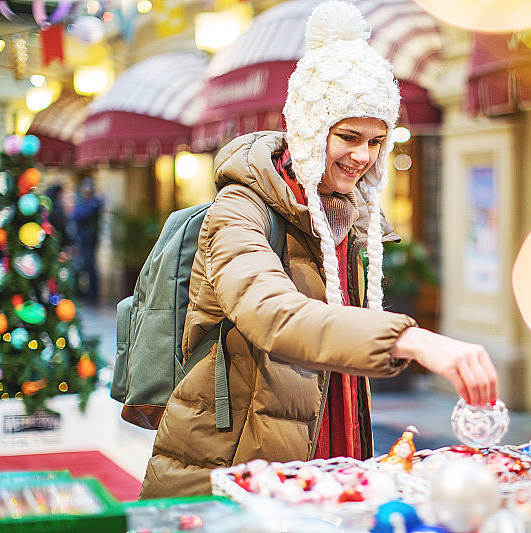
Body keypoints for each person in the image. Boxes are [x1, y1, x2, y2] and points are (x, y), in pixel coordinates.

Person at [140, 1, 499, 499]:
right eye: (348, 136)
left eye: (377, 141)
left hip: (331, 440)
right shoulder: (240, 209)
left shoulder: (345, 215)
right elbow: (274, 314)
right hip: (235, 454)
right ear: (309, 131)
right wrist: (410, 340)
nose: (363, 156)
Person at [71, 177, 104, 303]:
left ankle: (93, 293)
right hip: (83, 239)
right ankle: (85, 291)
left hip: (90, 239)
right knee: (83, 265)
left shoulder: (94, 203)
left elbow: (79, 215)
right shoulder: (85, 202)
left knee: (90, 265)